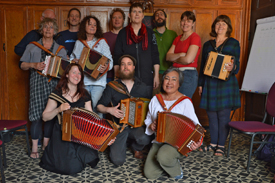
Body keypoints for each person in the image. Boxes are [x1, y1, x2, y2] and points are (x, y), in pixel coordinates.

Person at [39, 63, 115, 175]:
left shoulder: (85, 94)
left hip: (81, 134)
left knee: (91, 159)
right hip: (62, 134)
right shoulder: (56, 94)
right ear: (67, 75)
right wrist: (58, 109)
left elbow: (92, 119)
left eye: (79, 73)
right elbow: (45, 117)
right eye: (74, 72)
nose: (77, 75)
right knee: (71, 169)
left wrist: (105, 137)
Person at [19, 18, 67, 159]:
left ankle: (45, 145)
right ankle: (34, 148)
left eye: (51, 27)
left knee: (50, 116)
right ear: (41, 30)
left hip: (54, 85)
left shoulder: (61, 49)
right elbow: (22, 65)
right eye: (45, 27)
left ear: (55, 31)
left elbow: (65, 70)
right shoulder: (32, 46)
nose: (48, 29)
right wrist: (33, 65)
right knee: (36, 116)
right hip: (37, 84)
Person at [143, 67, 202, 180]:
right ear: (163, 81)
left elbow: (197, 126)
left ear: (179, 84)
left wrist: (197, 142)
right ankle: (164, 161)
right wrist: (151, 125)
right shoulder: (156, 99)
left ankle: (175, 169)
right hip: (159, 141)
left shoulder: (185, 102)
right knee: (149, 174)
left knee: (163, 156)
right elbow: (148, 119)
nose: (169, 82)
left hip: (177, 144)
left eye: (174, 79)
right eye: (167, 78)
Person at [97, 55, 152, 166]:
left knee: (145, 137)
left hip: (136, 127)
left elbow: (149, 108)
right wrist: (109, 110)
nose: (126, 67)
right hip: (119, 128)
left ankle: (136, 147)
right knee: (117, 161)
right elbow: (99, 106)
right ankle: (124, 142)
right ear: (119, 68)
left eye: (129, 64)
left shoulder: (142, 87)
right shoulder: (112, 86)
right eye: (123, 64)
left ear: (133, 67)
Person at [198, 15, 241, 156]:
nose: (220, 26)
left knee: (223, 116)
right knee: (211, 115)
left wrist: (232, 66)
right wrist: (200, 84)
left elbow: (237, 64)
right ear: (214, 27)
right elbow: (203, 67)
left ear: (228, 27)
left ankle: (221, 146)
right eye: (218, 24)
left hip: (226, 84)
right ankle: (213, 144)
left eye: (223, 24)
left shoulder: (233, 43)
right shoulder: (207, 45)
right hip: (210, 83)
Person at [113, 3, 160, 95]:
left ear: (143, 15)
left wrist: (156, 76)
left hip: (147, 79)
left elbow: (155, 55)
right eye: (134, 12)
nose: (137, 14)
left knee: (146, 107)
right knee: (128, 107)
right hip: (127, 79)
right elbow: (117, 56)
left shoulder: (150, 33)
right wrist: (117, 76)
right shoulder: (122, 33)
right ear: (129, 15)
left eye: (139, 12)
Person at [70, 15, 113, 116]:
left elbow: (110, 61)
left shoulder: (102, 42)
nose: (93, 26)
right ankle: (85, 131)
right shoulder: (79, 43)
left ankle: (98, 131)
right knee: (83, 110)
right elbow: (71, 58)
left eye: (95, 25)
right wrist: (74, 61)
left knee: (96, 110)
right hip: (82, 82)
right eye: (90, 24)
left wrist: (105, 67)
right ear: (84, 27)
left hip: (98, 83)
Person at [166, 11, 201, 99]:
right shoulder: (177, 38)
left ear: (193, 24)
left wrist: (174, 58)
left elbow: (188, 60)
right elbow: (168, 57)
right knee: (171, 102)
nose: (185, 23)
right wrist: (181, 54)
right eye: (183, 20)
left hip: (188, 74)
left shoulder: (195, 37)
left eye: (189, 21)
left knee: (182, 103)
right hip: (174, 73)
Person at [152, 9, 178, 94]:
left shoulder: (173, 34)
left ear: (166, 18)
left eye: (161, 14)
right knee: (155, 100)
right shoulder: (149, 34)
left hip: (170, 73)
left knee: (169, 101)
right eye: (157, 15)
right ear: (154, 20)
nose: (159, 16)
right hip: (154, 73)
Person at [104, 8, 125, 83]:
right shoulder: (104, 36)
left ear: (123, 20)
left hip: (124, 75)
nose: (117, 20)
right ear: (111, 20)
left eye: (119, 17)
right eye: (114, 17)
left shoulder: (128, 36)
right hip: (107, 75)